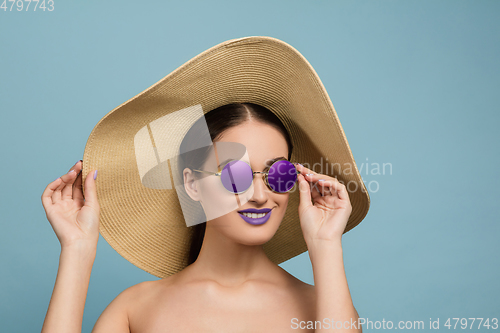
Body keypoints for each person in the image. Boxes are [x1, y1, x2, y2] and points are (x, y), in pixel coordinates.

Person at [40, 37, 369, 332]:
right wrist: (76, 251)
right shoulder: (134, 310)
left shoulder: (322, 310)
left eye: (277, 174)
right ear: (193, 184)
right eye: (233, 175)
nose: (259, 195)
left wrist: (326, 246)